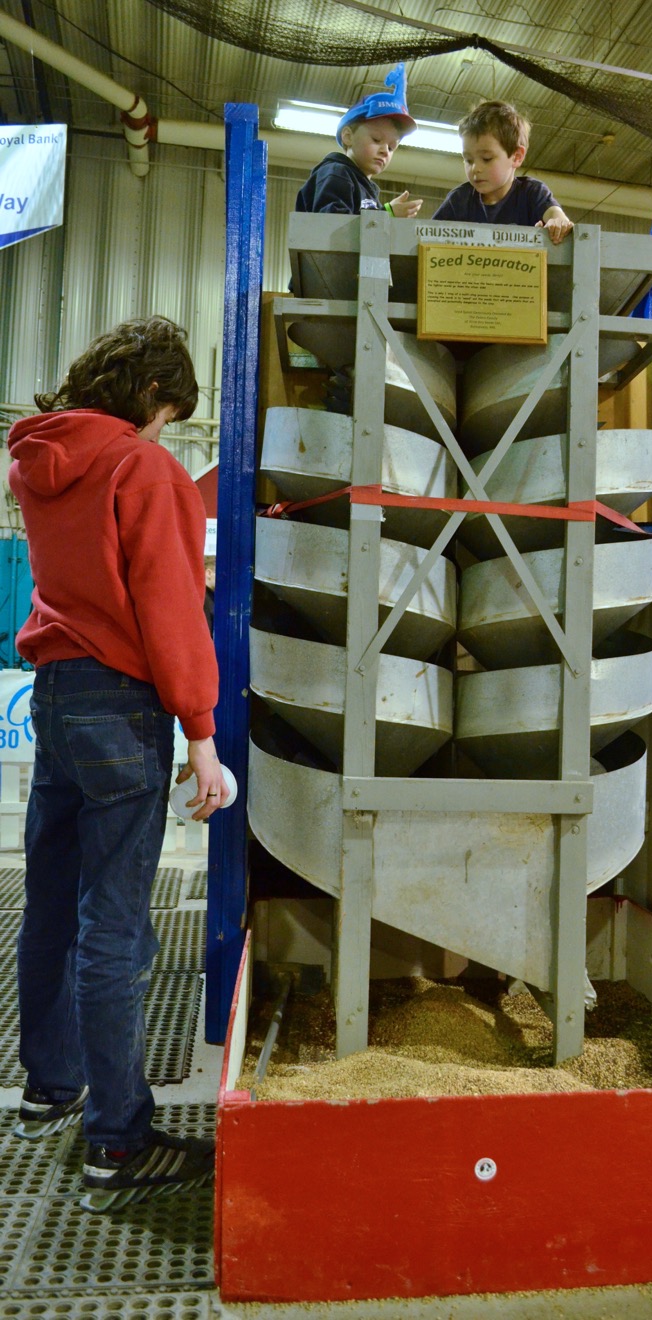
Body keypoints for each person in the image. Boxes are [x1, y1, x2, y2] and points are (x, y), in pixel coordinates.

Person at [8, 316, 229, 1212]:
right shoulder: (142, 468)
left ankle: (48, 1090)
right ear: (150, 396)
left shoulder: (36, 458)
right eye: (170, 411)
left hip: (54, 694)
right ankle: (119, 1140)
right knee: (118, 929)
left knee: (50, 905)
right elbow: (170, 608)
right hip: (120, 707)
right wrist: (203, 736)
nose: (169, 428)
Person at [432, 100, 573, 243]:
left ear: (517, 157)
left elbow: (555, 214)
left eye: (487, 159)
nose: (475, 168)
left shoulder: (532, 193)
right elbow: (429, 236)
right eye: (468, 160)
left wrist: (557, 222)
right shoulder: (459, 200)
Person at [294, 62, 422, 219]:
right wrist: (386, 214)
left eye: (391, 147)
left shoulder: (366, 188)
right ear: (348, 136)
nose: (384, 151)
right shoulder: (337, 173)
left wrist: (387, 215)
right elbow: (332, 226)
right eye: (376, 139)